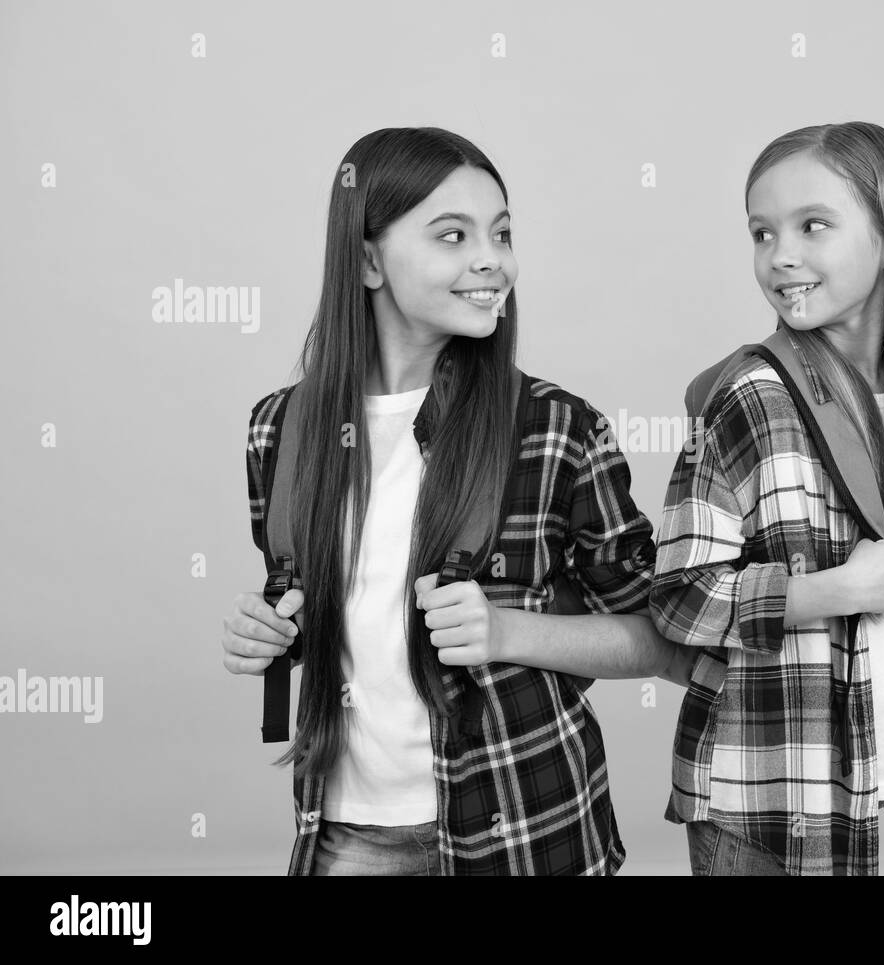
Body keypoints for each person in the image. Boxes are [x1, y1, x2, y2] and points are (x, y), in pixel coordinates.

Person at [224, 127, 689, 875]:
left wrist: (508, 631)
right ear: (368, 259)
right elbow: (328, 611)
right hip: (345, 834)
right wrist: (272, 632)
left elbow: (665, 637)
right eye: (453, 235)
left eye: (501, 233)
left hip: (522, 832)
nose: (491, 260)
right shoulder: (279, 430)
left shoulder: (555, 429)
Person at [650, 121, 884, 876]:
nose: (781, 256)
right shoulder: (752, 396)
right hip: (761, 793)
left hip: (853, 767)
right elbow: (680, 598)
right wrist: (835, 590)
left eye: (813, 225)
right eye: (762, 232)